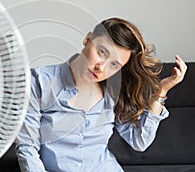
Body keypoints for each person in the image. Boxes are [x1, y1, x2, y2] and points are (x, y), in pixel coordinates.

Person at [15, 17, 187, 172]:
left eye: (114, 65)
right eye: (101, 52)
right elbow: (27, 148)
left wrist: (161, 92)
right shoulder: (39, 83)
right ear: (87, 39)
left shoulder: (114, 91)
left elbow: (139, 141)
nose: (101, 68)